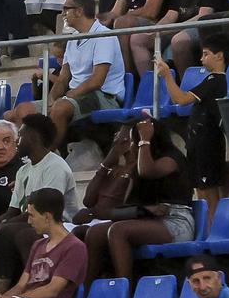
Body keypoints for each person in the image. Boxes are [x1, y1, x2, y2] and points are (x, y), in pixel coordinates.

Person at [80, 117, 196, 279]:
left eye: (135, 142)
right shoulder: (137, 168)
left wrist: (144, 140)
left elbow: (147, 171)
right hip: (150, 219)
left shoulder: (171, 159)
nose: (132, 146)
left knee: (118, 230)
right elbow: (126, 206)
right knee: (95, 233)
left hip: (175, 220)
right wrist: (144, 210)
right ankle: (86, 292)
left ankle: (124, 289)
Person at [12, 0, 126, 146]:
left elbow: (97, 81)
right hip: (75, 96)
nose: (62, 13)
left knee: (60, 108)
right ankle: (30, 154)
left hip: (103, 96)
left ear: (79, 11)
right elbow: (64, 78)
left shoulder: (103, 36)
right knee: (23, 110)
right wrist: (51, 99)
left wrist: (70, 95)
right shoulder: (72, 39)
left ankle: (48, 156)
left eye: (66, 8)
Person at [159, 30, 229, 204]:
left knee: (209, 192)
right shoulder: (211, 80)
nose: (201, 59)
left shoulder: (215, 81)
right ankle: (206, 229)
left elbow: (181, 99)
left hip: (208, 144)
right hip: (199, 143)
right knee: (201, 190)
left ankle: (212, 229)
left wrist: (168, 76)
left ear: (219, 56)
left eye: (206, 54)